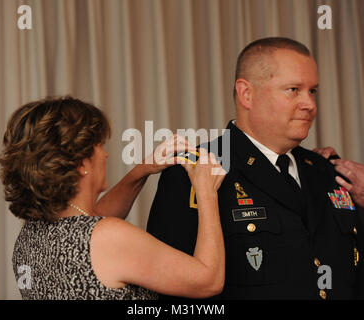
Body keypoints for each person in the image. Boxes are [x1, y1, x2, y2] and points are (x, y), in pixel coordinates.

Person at [147, 37, 364, 299]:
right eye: (293, 89)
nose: (309, 104)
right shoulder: (196, 170)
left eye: (312, 91)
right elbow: (174, 290)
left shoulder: (327, 171)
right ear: (246, 94)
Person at [0, 97, 226, 300]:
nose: (106, 154)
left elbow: (91, 219)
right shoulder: (108, 237)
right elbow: (208, 281)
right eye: (99, 146)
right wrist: (206, 192)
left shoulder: (31, 235)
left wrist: (143, 169)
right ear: (81, 164)